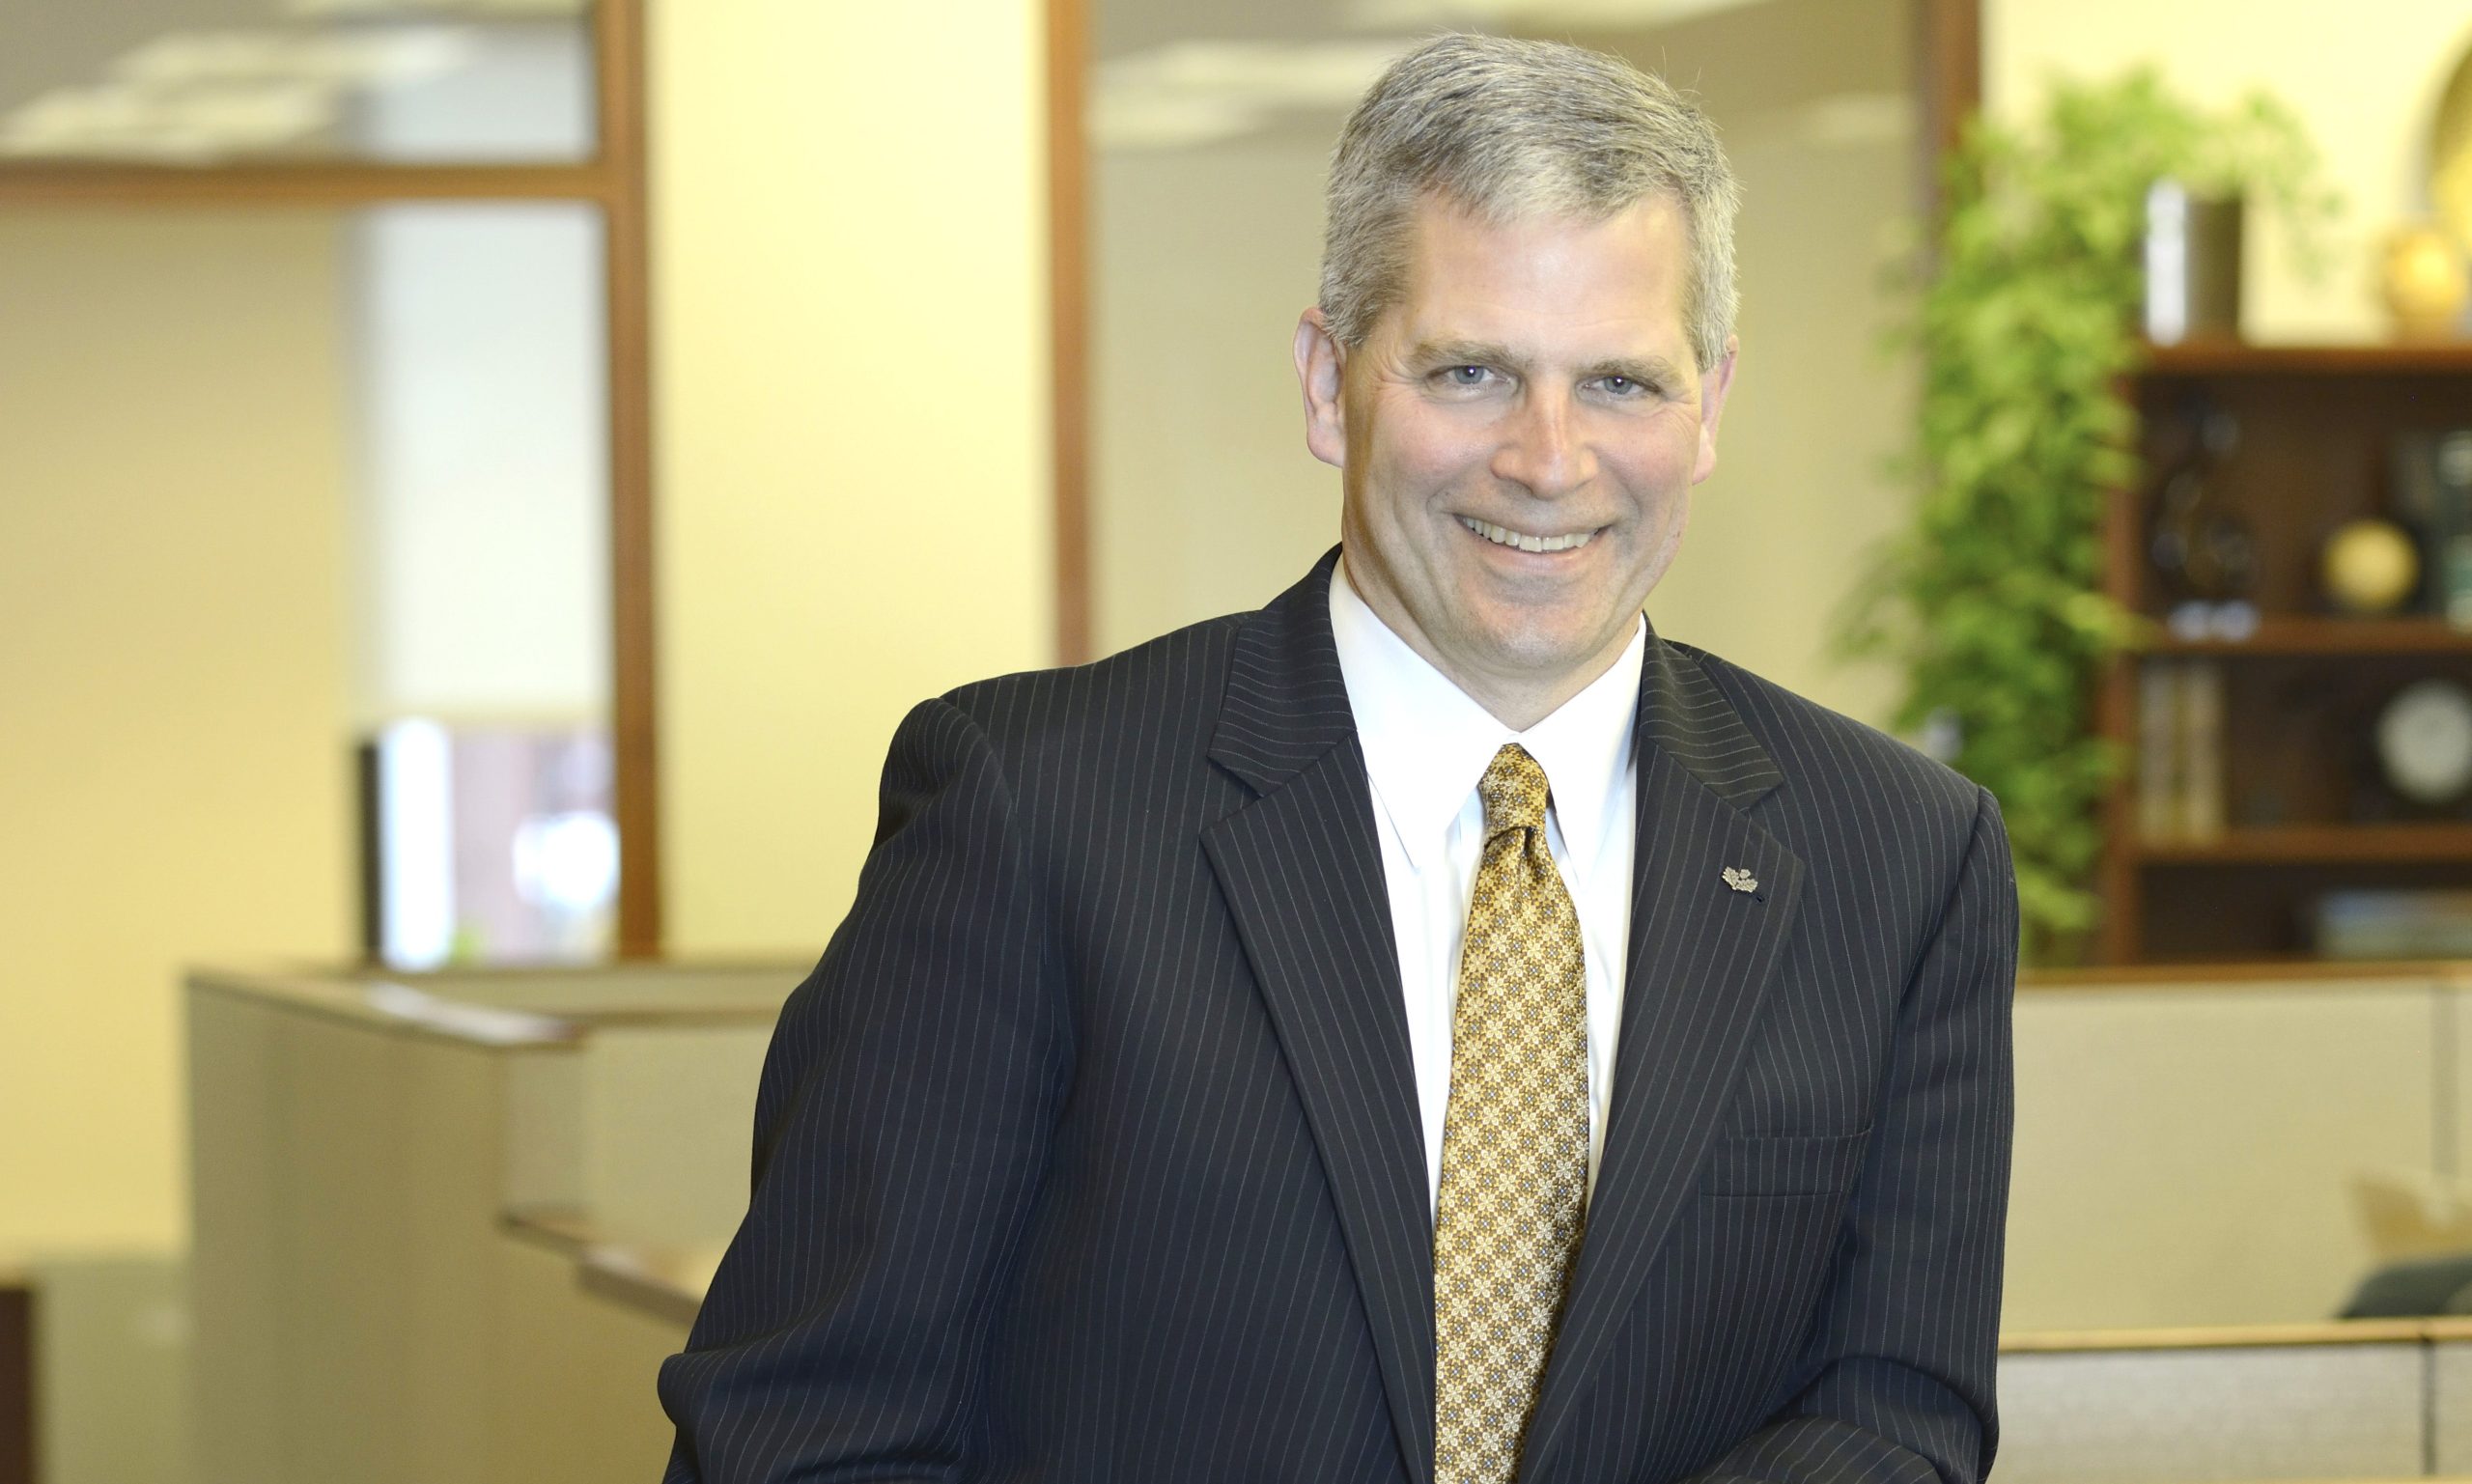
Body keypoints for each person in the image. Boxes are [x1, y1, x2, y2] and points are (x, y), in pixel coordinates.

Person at [659, 31, 2017, 1484]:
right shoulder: (1031, 807)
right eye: (1472, 371)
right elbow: (798, 1437)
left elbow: (1896, 1414)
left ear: (1711, 406)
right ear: (1328, 381)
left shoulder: (1900, 857)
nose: (1549, 458)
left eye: (1620, 382)